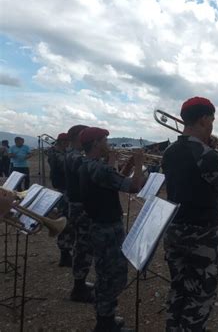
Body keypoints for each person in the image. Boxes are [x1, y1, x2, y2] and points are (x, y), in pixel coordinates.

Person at [161, 97, 218, 331]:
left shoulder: (169, 151)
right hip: (201, 235)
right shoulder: (208, 155)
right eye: (211, 119)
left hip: (173, 230)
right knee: (201, 295)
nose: (213, 125)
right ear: (203, 119)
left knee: (178, 288)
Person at [79, 127, 145, 332]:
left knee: (104, 274)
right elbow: (134, 187)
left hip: (97, 225)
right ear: (97, 143)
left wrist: (129, 164)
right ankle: (105, 323)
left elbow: (114, 182)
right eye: (105, 140)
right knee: (113, 277)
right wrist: (140, 161)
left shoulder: (86, 165)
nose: (108, 144)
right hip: (108, 228)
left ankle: (104, 318)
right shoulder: (100, 169)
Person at [64, 124, 95, 303]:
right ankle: (79, 288)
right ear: (79, 136)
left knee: (83, 246)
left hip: (79, 205)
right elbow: (88, 170)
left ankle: (80, 283)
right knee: (83, 246)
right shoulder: (74, 156)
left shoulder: (74, 154)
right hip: (80, 207)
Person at [47, 133, 74, 267]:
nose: (68, 145)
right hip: (64, 190)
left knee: (68, 220)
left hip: (64, 188)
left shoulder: (58, 152)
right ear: (62, 142)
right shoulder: (56, 154)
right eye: (67, 142)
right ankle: (65, 253)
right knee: (66, 221)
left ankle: (66, 252)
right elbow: (66, 164)